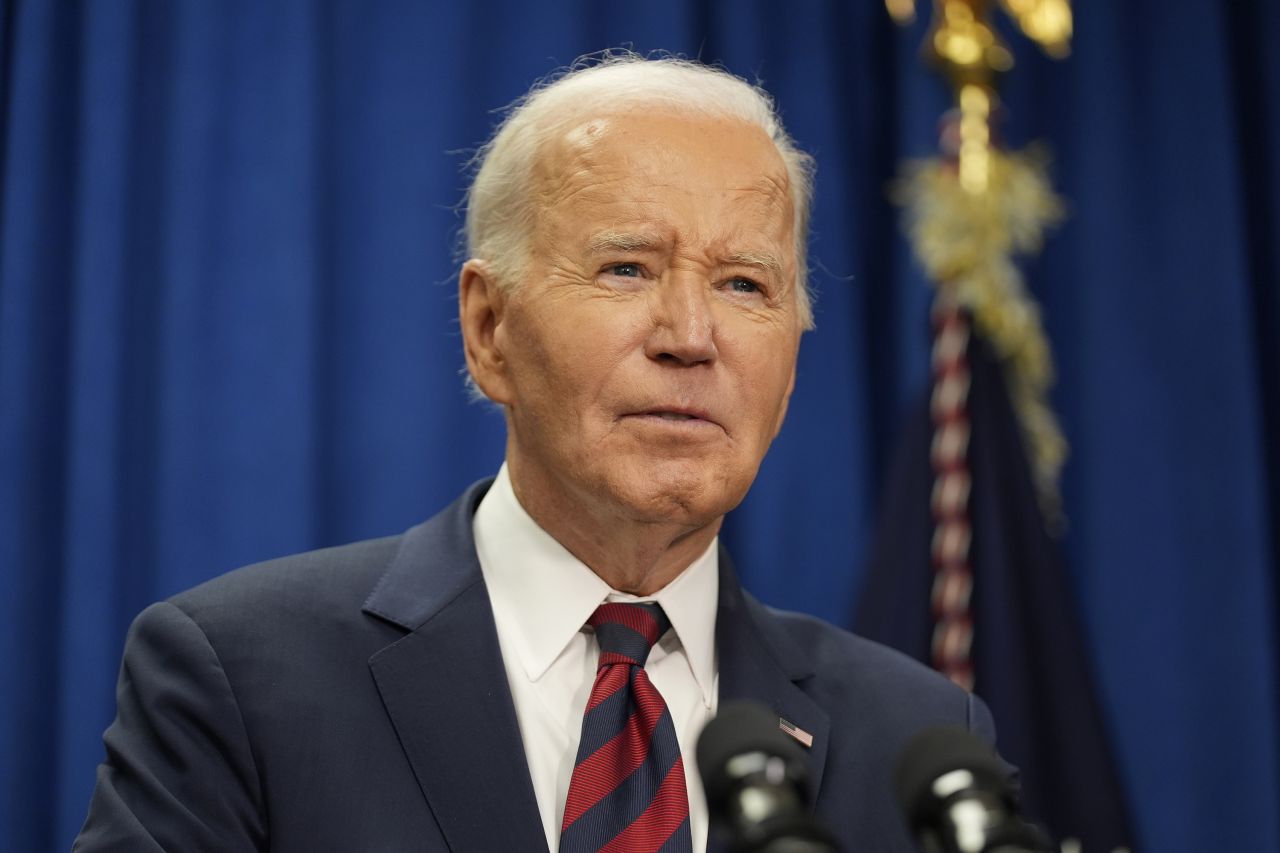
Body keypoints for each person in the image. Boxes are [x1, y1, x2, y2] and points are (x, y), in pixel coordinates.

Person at [75, 54, 1002, 853]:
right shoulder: (239, 675)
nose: (690, 334)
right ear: (490, 329)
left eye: (744, 283)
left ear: (792, 362)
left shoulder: (921, 739)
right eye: (627, 268)